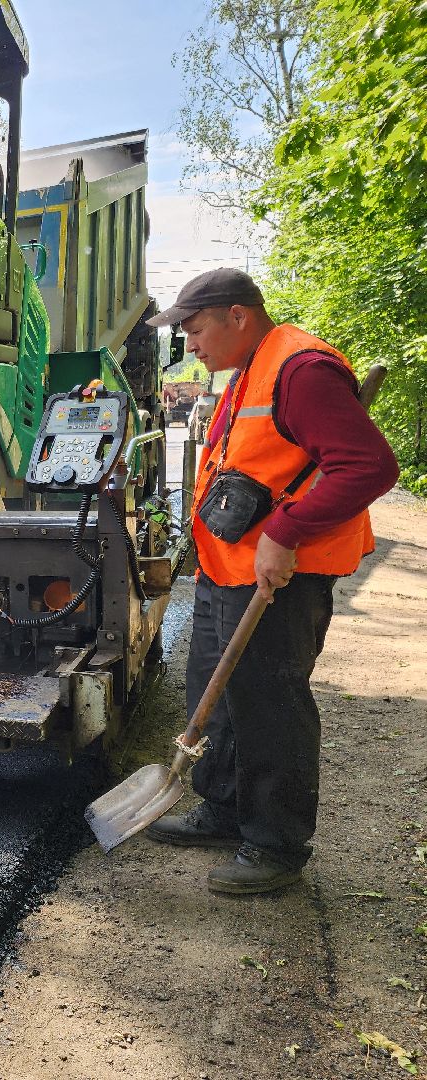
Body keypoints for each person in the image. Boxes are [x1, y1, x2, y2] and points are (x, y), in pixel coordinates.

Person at [143, 268, 398, 895]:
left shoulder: (301, 369)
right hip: (226, 568)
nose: (191, 346)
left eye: (195, 329)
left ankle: (275, 843)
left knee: (269, 705)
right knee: (219, 692)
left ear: (237, 315)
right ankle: (225, 809)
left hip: (280, 578)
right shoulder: (250, 369)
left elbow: (368, 466)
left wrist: (286, 532)